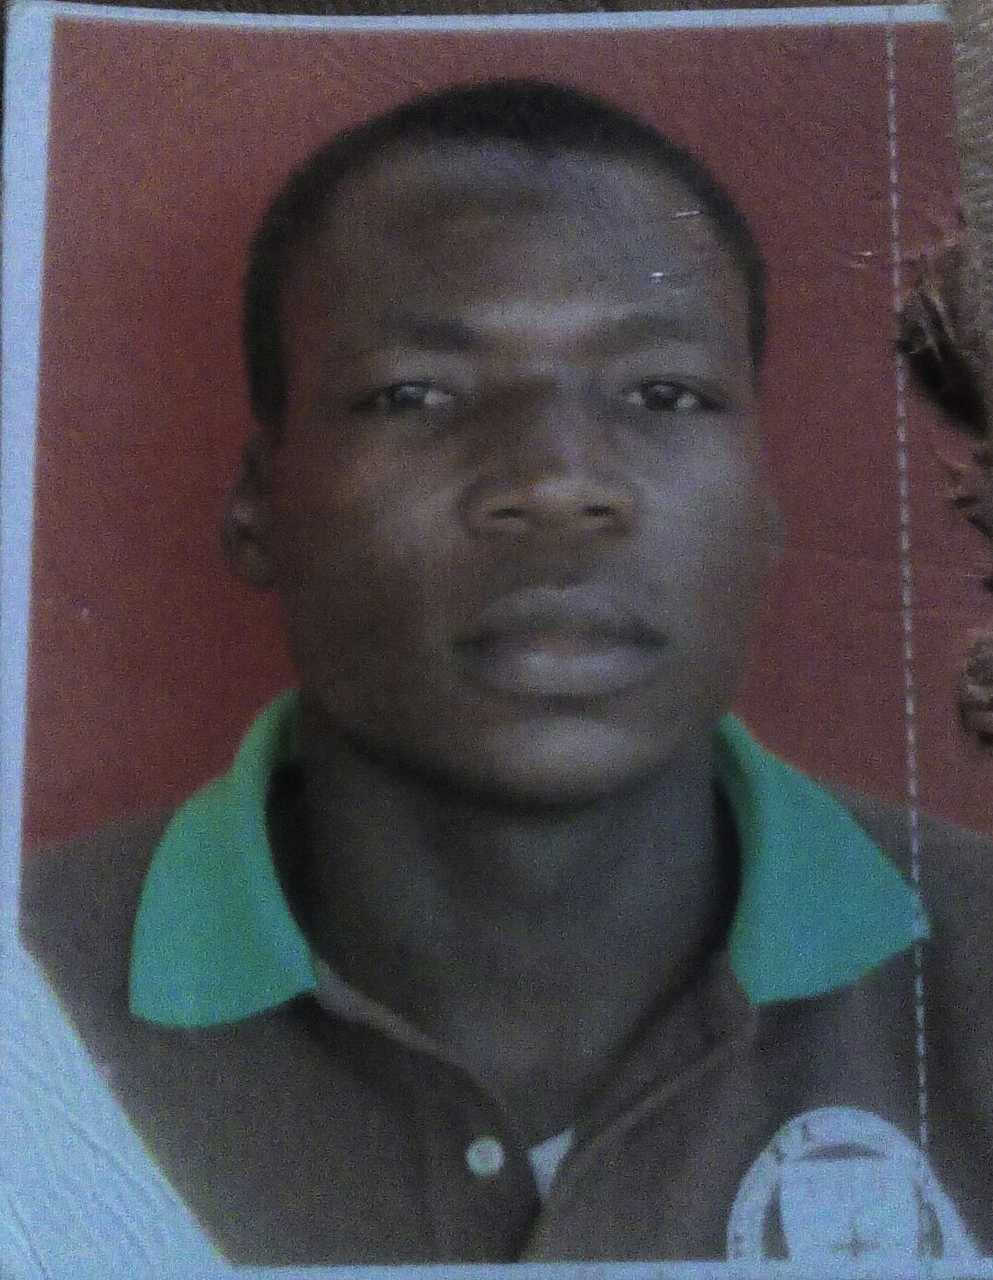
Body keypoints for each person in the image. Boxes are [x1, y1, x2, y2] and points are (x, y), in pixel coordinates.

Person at [20, 79, 993, 1266]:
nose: (555, 479)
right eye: (415, 394)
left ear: (765, 504)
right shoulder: (29, 978)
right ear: (259, 506)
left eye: (663, 392)